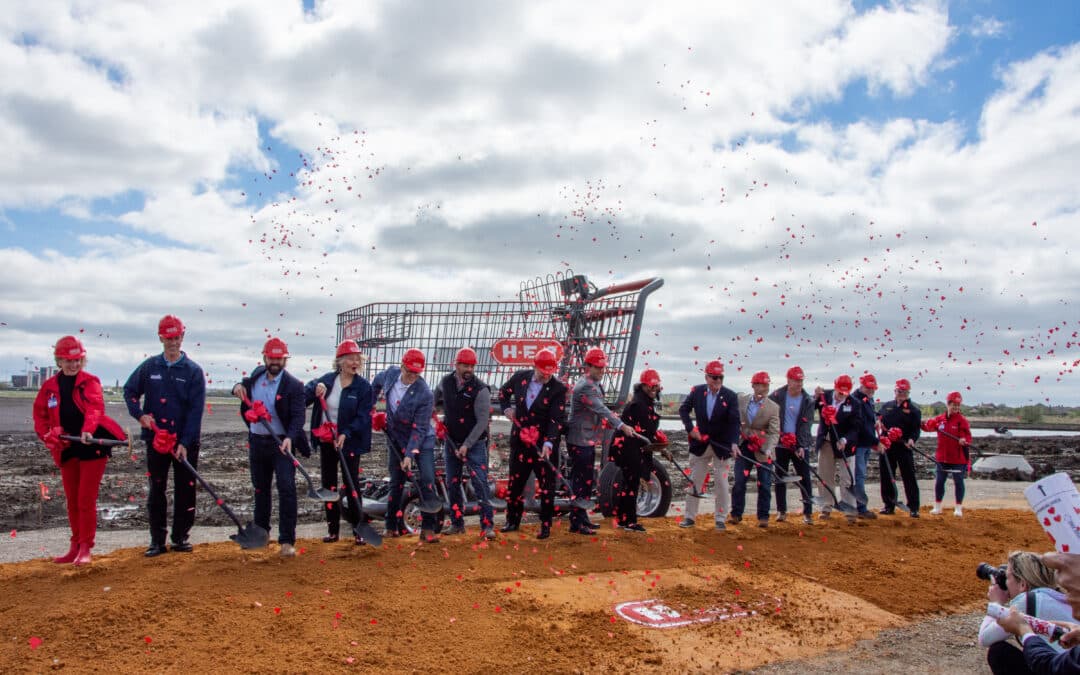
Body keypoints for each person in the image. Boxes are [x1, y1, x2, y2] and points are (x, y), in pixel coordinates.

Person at [33, 336, 127, 565]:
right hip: (67, 447)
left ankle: (86, 547)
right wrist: (49, 435)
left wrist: (87, 430)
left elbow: (95, 408)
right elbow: (40, 416)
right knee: (72, 500)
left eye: (77, 360)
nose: (73, 365)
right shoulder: (49, 387)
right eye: (68, 360)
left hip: (91, 445)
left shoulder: (90, 382)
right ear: (59, 360)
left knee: (85, 499)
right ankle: (74, 546)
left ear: (83, 360)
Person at [123, 315, 206, 557]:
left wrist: (185, 443)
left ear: (183, 337)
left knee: (185, 490)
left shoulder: (193, 372)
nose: (173, 342)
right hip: (156, 441)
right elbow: (129, 392)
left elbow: (195, 411)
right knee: (156, 490)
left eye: (176, 337)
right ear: (161, 338)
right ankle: (157, 541)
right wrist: (140, 416)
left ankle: (180, 537)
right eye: (168, 338)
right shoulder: (150, 367)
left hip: (184, 444)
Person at [232, 337, 311, 557]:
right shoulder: (256, 376)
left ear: (284, 360)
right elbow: (241, 385)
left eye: (279, 358)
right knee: (260, 490)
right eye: (271, 357)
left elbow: (297, 417)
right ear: (264, 358)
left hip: (281, 444)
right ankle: (261, 535)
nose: (275, 361)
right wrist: (236, 386)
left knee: (287, 490)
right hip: (258, 443)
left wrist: (290, 438)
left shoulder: (293, 385)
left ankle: (287, 540)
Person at [305, 340, 373, 544]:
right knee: (329, 486)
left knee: (351, 485)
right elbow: (307, 395)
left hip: (349, 442)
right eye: (351, 358)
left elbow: (363, 417)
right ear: (340, 361)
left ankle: (358, 530)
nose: (355, 362)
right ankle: (332, 530)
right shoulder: (327, 380)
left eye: (358, 359)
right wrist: (314, 388)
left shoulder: (363, 387)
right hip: (328, 441)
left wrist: (346, 433)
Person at [498, 348, 568, 540]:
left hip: (543, 445)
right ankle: (512, 520)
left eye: (549, 373)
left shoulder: (558, 389)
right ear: (534, 366)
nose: (546, 376)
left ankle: (545, 525)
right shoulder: (520, 377)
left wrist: (548, 444)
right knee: (516, 483)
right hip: (520, 441)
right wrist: (507, 410)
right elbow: (503, 394)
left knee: (547, 485)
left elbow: (556, 420)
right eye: (542, 372)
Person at [371, 348, 440, 543]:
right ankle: (390, 525)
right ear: (402, 366)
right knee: (396, 481)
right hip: (396, 437)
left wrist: (409, 455)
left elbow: (419, 428)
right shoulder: (390, 375)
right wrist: (372, 408)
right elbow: (374, 385)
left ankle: (428, 526)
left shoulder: (425, 394)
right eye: (409, 371)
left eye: (417, 373)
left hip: (422, 440)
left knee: (426, 478)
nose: (412, 376)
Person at [566, 348, 634, 535]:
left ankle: (581, 518)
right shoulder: (586, 386)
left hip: (585, 438)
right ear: (587, 367)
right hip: (580, 439)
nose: (602, 371)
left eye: (603, 367)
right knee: (581, 480)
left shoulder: (591, 383)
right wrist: (621, 425)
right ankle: (577, 522)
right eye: (598, 367)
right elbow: (601, 409)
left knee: (586, 479)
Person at [433, 347, 496, 540]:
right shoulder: (445, 382)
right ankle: (457, 523)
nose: (468, 369)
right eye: (464, 365)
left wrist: (467, 445)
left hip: (474, 443)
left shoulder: (481, 389)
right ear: (456, 365)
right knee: (453, 483)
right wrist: (434, 419)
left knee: (479, 483)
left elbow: (482, 422)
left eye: (471, 366)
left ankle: (487, 526)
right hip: (452, 441)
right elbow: (433, 402)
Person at [979, 551, 1075, 674]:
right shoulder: (1062, 597)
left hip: (1060, 668)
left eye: (1007, 577)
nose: (1005, 583)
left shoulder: (1027, 601)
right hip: (1070, 665)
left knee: (999, 652)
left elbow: (984, 638)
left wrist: (997, 604)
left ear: (1023, 585)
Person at [678, 360, 741, 531]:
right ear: (706, 377)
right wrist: (690, 429)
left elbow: (735, 422)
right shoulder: (697, 392)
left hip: (722, 446)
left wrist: (734, 443)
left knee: (721, 482)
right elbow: (683, 409)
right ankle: (689, 517)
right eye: (714, 377)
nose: (717, 381)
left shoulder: (730, 396)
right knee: (695, 480)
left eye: (720, 377)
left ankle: (720, 518)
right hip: (701, 444)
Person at [611, 369, 664, 532]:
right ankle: (630, 521)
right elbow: (645, 431)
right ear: (643, 386)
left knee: (630, 483)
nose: (654, 389)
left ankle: (623, 519)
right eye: (650, 386)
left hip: (634, 447)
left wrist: (660, 445)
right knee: (631, 484)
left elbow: (649, 431)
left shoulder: (647, 402)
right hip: (628, 448)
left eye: (656, 385)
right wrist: (658, 444)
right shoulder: (638, 404)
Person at [730, 372, 781, 528]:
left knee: (764, 484)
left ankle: (763, 517)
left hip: (763, 449)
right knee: (739, 481)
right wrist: (734, 441)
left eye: (766, 385)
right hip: (744, 446)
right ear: (753, 385)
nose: (763, 388)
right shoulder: (741, 400)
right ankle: (736, 514)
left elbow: (774, 432)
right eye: (760, 385)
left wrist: (768, 448)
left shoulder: (773, 408)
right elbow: (734, 421)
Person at [769, 366, 816, 525]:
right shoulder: (777, 396)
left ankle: (808, 512)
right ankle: (781, 511)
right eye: (796, 380)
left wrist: (801, 445)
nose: (799, 384)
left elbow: (806, 424)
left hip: (799, 445)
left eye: (801, 380)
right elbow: (769, 415)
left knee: (805, 478)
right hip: (781, 444)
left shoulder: (808, 400)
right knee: (780, 477)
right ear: (788, 380)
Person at [814, 375, 861, 522]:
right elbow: (810, 407)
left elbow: (856, 427)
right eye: (840, 392)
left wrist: (845, 440)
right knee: (825, 476)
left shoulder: (855, 404)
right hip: (827, 442)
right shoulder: (824, 397)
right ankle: (826, 507)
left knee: (847, 479)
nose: (842, 395)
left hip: (845, 446)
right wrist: (814, 396)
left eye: (846, 393)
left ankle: (849, 510)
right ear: (835, 387)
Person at [877, 378, 922, 518]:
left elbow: (916, 430)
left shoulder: (914, 410)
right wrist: (878, 424)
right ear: (895, 391)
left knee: (909, 476)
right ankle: (889, 505)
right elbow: (879, 421)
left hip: (904, 447)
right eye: (899, 391)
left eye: (904, 391)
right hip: (887, 446)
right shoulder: (887, 406)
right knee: (886, 476)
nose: (901, 394)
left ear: (908, 392)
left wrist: (911, 440)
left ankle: (913, 507)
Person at [923, 391, 972, 516]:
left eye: (957, 405)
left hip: (958, 459)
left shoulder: (962, 421)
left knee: (958, 482)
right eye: (953, 404)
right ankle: (938, 507)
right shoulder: (940, 419)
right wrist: (923, 424)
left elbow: (967, 436)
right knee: (939, 482)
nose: (955, 407)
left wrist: (964, 440)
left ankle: (958, 508)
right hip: (942, 458)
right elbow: (928, 428)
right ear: (948, 404)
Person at [849, 373, 880, 521]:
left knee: (861, 475)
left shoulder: (868, 400)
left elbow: (869, 419)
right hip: (859, 444)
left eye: (873, 389)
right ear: (861, 385)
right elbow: (860, 426)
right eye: (869, 388)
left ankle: (858, 506)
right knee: (859, 476)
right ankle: (861, 508)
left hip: (866, 443)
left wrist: (877, 420)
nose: (871, 391)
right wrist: (875, 441)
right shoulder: (856, 400)